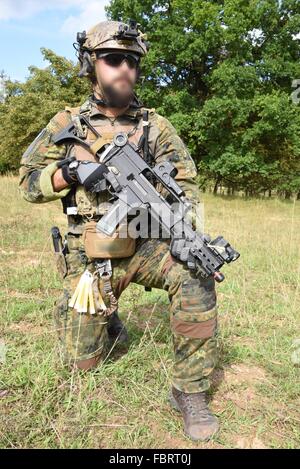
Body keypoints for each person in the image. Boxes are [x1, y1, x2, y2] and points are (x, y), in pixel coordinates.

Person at [19, 20, 219, 442]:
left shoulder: (155, 126)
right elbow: (27, 183)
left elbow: (186, 186)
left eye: (131, 60)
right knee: (82, 365)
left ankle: (190, 392)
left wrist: (180, 227)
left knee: (195, 270)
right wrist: (70, 172)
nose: (124, 68)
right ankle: (106, 320)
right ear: (92, 65)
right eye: (113, 59)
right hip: (89, 254)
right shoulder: (66, 122)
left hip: (144, 245)